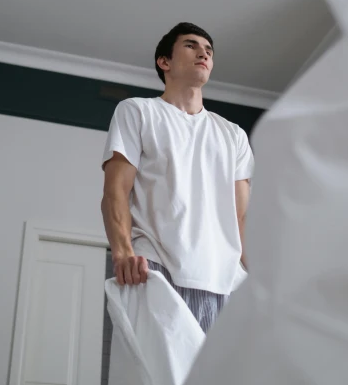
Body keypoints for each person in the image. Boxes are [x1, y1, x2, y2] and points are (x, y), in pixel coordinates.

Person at [100, 22, 254, 333]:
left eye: (209, 51)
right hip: (154, 270)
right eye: (191, 45)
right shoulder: (137, 112)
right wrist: (122, 252)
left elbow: (243, 218)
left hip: (223, 280)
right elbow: (116, 191)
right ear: (164, 62)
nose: (203, 53)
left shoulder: (234, 135)